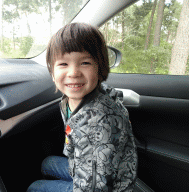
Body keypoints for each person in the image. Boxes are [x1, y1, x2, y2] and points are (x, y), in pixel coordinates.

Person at [27, 22, 138, 192]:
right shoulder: (86, 96)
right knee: (47, 163)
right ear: (52, 72)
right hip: (86, 166)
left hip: (103, 185)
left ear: (99, 68)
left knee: (35, 188)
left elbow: (95, 187)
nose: (73, 72)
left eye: (85, 63)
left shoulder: (97, 125)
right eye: (63, 64)